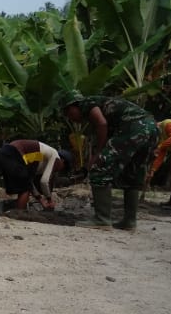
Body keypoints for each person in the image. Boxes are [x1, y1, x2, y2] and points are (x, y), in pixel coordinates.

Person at [61, 91, 158, 230]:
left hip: (134, 127)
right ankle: (129, 221)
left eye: (68, 114)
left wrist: (99, 154)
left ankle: (102, 219)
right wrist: (85, 168)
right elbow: (104, 136)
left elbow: (102, 124)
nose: (71, 119)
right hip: (151, 128)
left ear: (73, 106)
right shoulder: (106, 108)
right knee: (133, 174)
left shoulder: (86, 103)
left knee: (100, 168)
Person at [0, 139, 73, 211]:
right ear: (62, 160)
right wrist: (49, 199)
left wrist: (41, 200)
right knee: (25, 189)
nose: (59, 170)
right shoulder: (55, 156)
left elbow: (29, 181)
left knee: (24, 186)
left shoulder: (38, 159)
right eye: (63, 168)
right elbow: (44, 182)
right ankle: (20, 214)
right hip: (13, 152)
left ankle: (1, 208)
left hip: (4, 153)